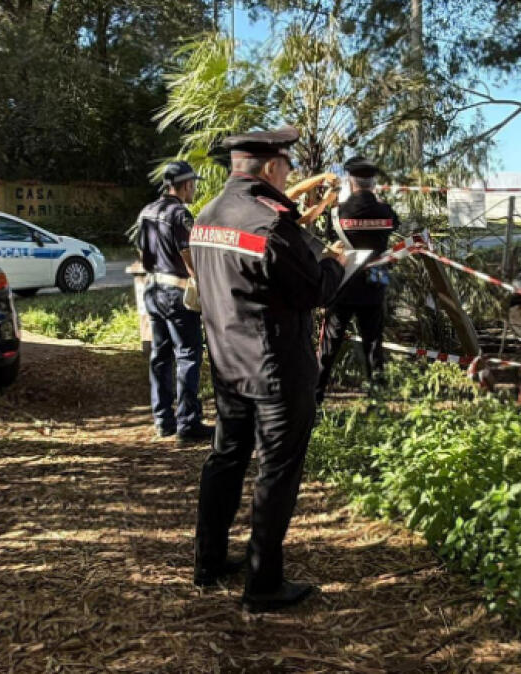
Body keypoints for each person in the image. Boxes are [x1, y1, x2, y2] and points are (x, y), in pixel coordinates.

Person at [190, 125, 346, 612]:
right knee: (277, 470)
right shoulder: (271, 226)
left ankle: (208, 561)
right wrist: (336, 261)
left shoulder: (207, 216)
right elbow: (316, 290)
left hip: (227, 363)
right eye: (287, 167)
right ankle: (263, 584)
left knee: (226, 458)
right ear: (273, 167)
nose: (289, 175)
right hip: (276, 368)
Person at [135, 160, 212, 444]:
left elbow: (143, 254)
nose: (193, 189)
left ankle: (162, 420)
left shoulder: (147, 211)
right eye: (193, 184)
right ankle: (188, 422)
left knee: (160, 356)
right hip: (176, 293)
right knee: (188, 355)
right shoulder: (180, 214)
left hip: (153, 289)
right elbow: (188, 255)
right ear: (185, 185)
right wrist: (202, 283)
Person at [315, 156, 400, 404]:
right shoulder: (385, 211)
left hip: (343, 284)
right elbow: (394, 225)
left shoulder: (337, 213)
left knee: (330, 345)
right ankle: (377, 400)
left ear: (350, 181)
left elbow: (331, 239)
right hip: (375, 283)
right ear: (372, 182)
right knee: (374, 343)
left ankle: (316, 395)